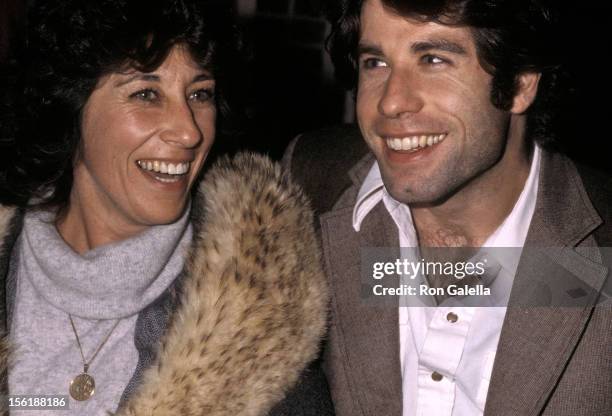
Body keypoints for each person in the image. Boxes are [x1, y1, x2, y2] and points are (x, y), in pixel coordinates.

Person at [0, 0, 333, 415]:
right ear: (69, 106)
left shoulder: (266, 317)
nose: (189, 130)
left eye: (199, 94)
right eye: (146, 93)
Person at [283, 0, 612, 415]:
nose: (391, 103)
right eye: (375, 62)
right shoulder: (311, 184)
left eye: (433, 59)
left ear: (520, 84)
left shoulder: (599, 243)